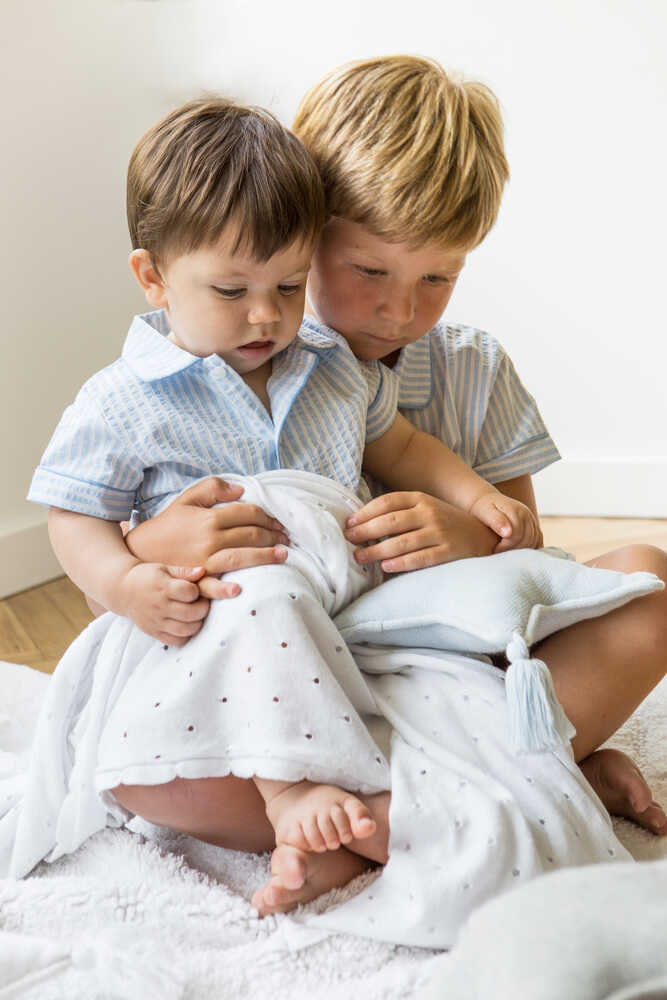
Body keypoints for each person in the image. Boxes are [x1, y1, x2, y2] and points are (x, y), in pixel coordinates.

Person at [116, 57, 667, 915]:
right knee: (143, 776)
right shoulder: (217, 371)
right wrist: (153, 548)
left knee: (646, 585)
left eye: (436, 277)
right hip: (289, 690)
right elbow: (131, 604)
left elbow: (530, 553)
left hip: (446, 681)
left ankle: (410, 812)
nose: (399, 311)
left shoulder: (472, 369)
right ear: (299, 238)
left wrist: (474, 533)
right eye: (367, 271)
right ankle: (522, 787)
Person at [23, 96, 542, 886]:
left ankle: (403, 808)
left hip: (352, 612)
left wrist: (476, 501)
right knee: (262, 595)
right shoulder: (122, 400)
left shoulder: (329, 367)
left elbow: (401, 445)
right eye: (232, 292)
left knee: (494, 650)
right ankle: (291, 791)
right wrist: (126, 580)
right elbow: (74, 517)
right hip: (230, 620)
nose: (266, 316)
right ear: (153, 278)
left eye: (289, 287)